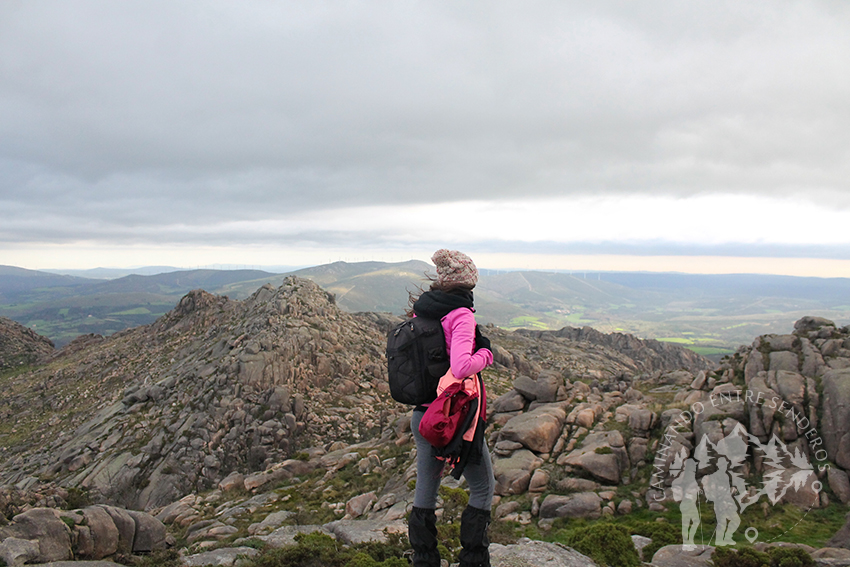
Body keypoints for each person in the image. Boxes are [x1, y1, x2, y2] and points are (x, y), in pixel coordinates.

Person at [407, 249, 495, 567]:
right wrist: (486, 354)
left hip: (423, 415)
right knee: (484, 487)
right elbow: (460, 366)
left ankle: (424, 560)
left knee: (426, 487)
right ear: (468, 282)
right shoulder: (461, 315)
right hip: (452, 418)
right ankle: (474, 561)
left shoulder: (425, 313)